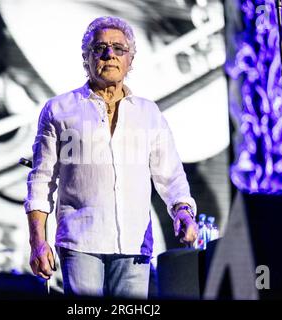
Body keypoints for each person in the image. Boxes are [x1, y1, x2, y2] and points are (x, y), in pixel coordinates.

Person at [24, 16, 198, 299]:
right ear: (86, 58)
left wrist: (182, 211)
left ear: (130, 59)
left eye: (119, 48)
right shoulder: (59, 110)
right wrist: (38, 242)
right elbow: (41, 181)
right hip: (80, 242)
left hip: (134, 244)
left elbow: (171, 175)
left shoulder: (148, 113)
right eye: (100, 48)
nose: (110, 55)